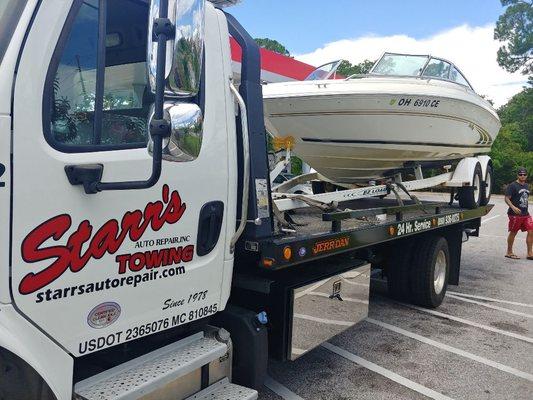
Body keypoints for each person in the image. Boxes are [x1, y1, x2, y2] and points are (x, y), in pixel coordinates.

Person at [505, 167, 533, 260]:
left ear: (526, 176)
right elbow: (507, 198)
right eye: (520, 174)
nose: (522, 176)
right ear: (517, 175)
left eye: (524, 174)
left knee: (531, 231)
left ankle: (529, 253)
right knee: (513, 232)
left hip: (525, 214)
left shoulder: (526, 186)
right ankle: (509, 252)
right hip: (514, 214)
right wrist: (513, 207)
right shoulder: (513, 185)